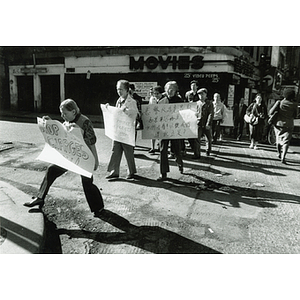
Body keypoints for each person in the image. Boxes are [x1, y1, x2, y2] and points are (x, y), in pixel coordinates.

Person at [23, 99, 105, 217]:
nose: (62, 116)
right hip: (70, 156)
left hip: (84, 158)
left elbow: (92, 142)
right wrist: (51, 123)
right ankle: (40, 197)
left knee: (87, 183)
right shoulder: (68, 120)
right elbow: (61, 132)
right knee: (51, 170)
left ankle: (99, 208)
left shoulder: (85, 121)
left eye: (64, 113)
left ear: (73, 111)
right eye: (61, 113)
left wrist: (96, 160)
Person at [106, 80, 139, 180]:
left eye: (121, 89)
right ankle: (114, 171)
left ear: (127, 90)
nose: (119, 91)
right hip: (118, 130)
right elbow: (116, 113)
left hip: (127, 131)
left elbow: (135, 114)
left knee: (128, 152)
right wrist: (108, 108)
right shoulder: (119, 100)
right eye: (117, 89)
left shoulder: (132, 102)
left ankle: (131, 171)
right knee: (115, 150)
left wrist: (126, 111)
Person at [157, 81, 184, 181]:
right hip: (164, 130)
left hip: (175, 129)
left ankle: (180, 164)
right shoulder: (161, 101)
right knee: (162, 150)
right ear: (165, 90)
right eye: (168, 88)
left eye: (172, 89)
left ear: (176, 90)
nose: (170, 90)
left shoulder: (180, 101)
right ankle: (163, 173)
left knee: (177, 149)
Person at [269, 88, 298, 164]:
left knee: (278, 139)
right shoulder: (294, 105)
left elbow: (270, 112)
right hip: (289, 125)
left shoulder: (279, 102)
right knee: (286, 142)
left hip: (279, 124)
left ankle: (279, 153)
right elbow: (295, 115)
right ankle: (283, 157)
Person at [192, 88, 213, 158]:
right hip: (199, 123)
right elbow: (195, 112)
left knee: (208, 139)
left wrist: (208, 123)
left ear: (206, 95)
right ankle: (197, 154)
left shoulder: (209, 103)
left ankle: (208, 150)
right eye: (199, 94)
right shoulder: (197, 103)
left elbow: (211, 113)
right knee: (197, 139)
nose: (201, 96)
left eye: (202, 94)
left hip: (206, 123)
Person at [148, 85, 164, 154]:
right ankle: (153, 147)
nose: (156, 95)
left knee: (161, 134)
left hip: (162, 119)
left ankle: (160, 147)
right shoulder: (152, 99)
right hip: (154, 118)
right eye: (154, 94)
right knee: (153, 134)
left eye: (157, 94)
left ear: (161, 93)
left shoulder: (165, 99)